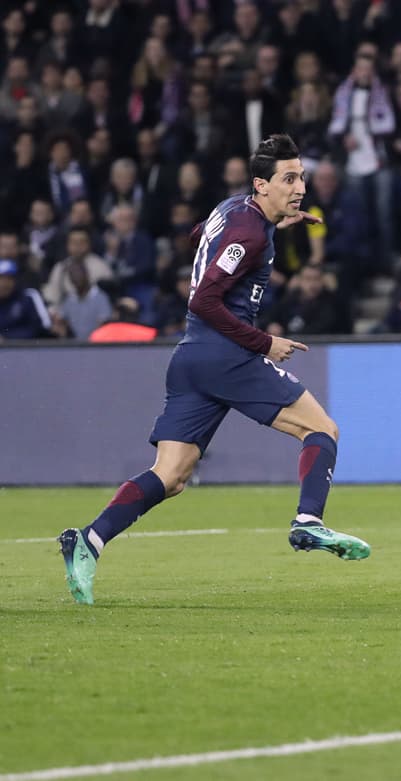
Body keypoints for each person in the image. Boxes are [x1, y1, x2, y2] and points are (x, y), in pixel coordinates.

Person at [59, 135, 370, 607]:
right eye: (289, 178)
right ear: (261, 184)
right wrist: (264, 342)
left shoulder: (235, 210)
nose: (300, 186)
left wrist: (278, 223)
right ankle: (308, 522)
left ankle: (89, 540)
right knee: (321, 430)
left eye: (302, 176)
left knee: (171, 475)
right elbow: (205, 298)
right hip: (229, 355)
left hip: (191, 359)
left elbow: (200, 235)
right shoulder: (248, 234)